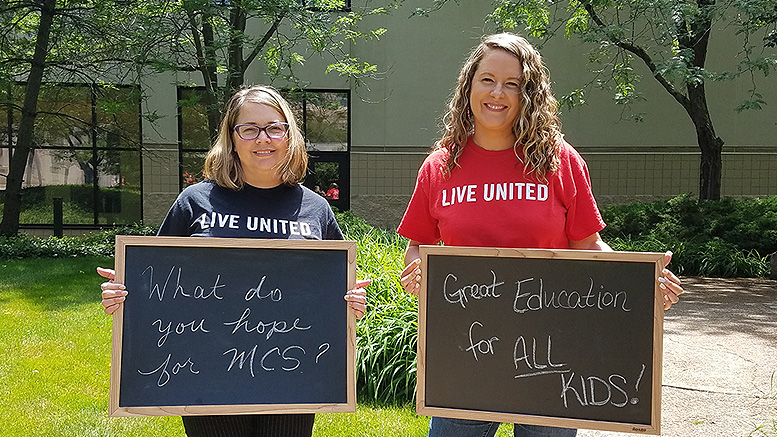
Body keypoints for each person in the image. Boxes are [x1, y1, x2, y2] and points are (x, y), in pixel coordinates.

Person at [397, 33, 684, 437]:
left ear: (528, 93)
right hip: (466, 356)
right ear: (469, 86)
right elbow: (418, 247)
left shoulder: (560, 161)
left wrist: (640, 282)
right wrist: (416, 274)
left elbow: (589, 246)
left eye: (512, 84)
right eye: (487, 79)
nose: (498, 93)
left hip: (554, 361)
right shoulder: (439, 166)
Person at [98, 85, 368, 437]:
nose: (263, 138)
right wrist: (122, 293)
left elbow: (335, 287)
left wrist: (353, 302)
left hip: (292, 375)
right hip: (205, 372)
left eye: (274, 127)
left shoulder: (315, 209)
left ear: (289, 135)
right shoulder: (194, 202)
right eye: (249, 129)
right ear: (232, 136)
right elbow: (153, 278)